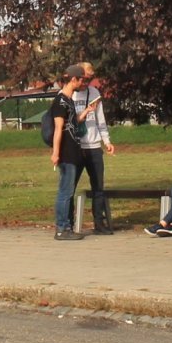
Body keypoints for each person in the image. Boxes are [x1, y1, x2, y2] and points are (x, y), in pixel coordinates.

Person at [57, 62, 115, 235]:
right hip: (75, 147)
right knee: (69, 188)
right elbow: (63, 122)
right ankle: (68, 223)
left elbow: (100, 120)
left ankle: (99, 222)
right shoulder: (67, 94)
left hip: (94, 145)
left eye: (89, 79)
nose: (87, 82)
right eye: (85, 78)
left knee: (98, 187)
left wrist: (106, 140)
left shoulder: (94, 92)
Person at [47, 66, 92, 240]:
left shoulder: (69, 100)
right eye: (82, 80)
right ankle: (62, 229)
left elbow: (72, 123)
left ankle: (66, 227)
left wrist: (85, 113)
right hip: (66, 153)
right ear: (73, 79)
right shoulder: (60, 101)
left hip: (73, 150)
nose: (83, 83)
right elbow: (58, 129)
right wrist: (56, 153)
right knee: (65, 192)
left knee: (68, 191)